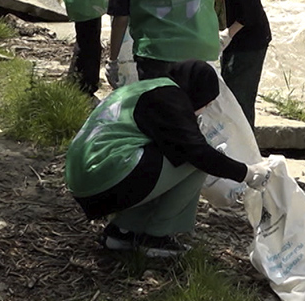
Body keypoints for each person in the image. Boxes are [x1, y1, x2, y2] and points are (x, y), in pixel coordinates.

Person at [65, 60, 272, 257]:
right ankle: (155, 237)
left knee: (168, 154)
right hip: (104, 179)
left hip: (83, 177)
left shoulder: (148, 88)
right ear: (197, 92)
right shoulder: (170, 98)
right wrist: (249, 173)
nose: (206, 108)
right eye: (207, 103)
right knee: (194, 159)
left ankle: (122, 232)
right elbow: (198, 153)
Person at [184, 0, 272, 127]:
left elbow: (250, 10)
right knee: (214, 95)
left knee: (239, 98)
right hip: (215, 35)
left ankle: (246, 152)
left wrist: (227, 35)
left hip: (248, 38)